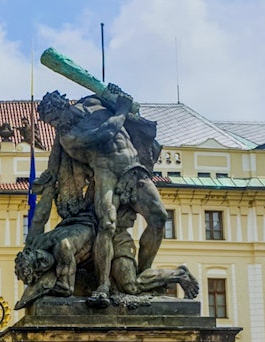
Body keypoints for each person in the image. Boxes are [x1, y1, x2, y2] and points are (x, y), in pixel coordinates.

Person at [35, 86, 168, 307]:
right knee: (107, 224)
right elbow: (105, 133)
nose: (55, 124)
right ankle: (103, 286)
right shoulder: (68, 137)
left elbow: (132, 110)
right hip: (105, 174)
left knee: (160, 218)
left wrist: (118, 96)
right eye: (51, 122)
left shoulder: (94, 103)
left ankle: (145, 272)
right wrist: (122, 110)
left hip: (134, 168)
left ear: (63, 106)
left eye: (55, 118)